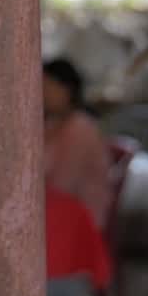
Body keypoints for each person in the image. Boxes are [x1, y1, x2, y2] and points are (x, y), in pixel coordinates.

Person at [43, 59, 113, 229]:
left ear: (67, 90)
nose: (42, 93)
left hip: (79, 219)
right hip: (55, 210)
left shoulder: (80, 128)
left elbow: (63, 185)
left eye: (48, 86)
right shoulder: (51, 124)